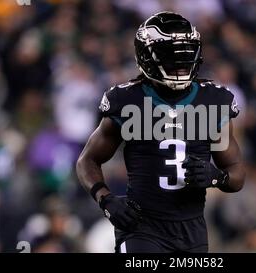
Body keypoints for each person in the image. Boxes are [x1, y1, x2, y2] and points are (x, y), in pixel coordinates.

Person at [76, 11, 245, 253]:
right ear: (146, 57)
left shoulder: (214, 101)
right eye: (171, 57)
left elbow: (237, 172)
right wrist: (105, 198)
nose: (180, 65)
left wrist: (217, 177)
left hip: (192, 229)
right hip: (142, 226)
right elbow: (88, 160)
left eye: (185, 55)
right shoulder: (127, 100)